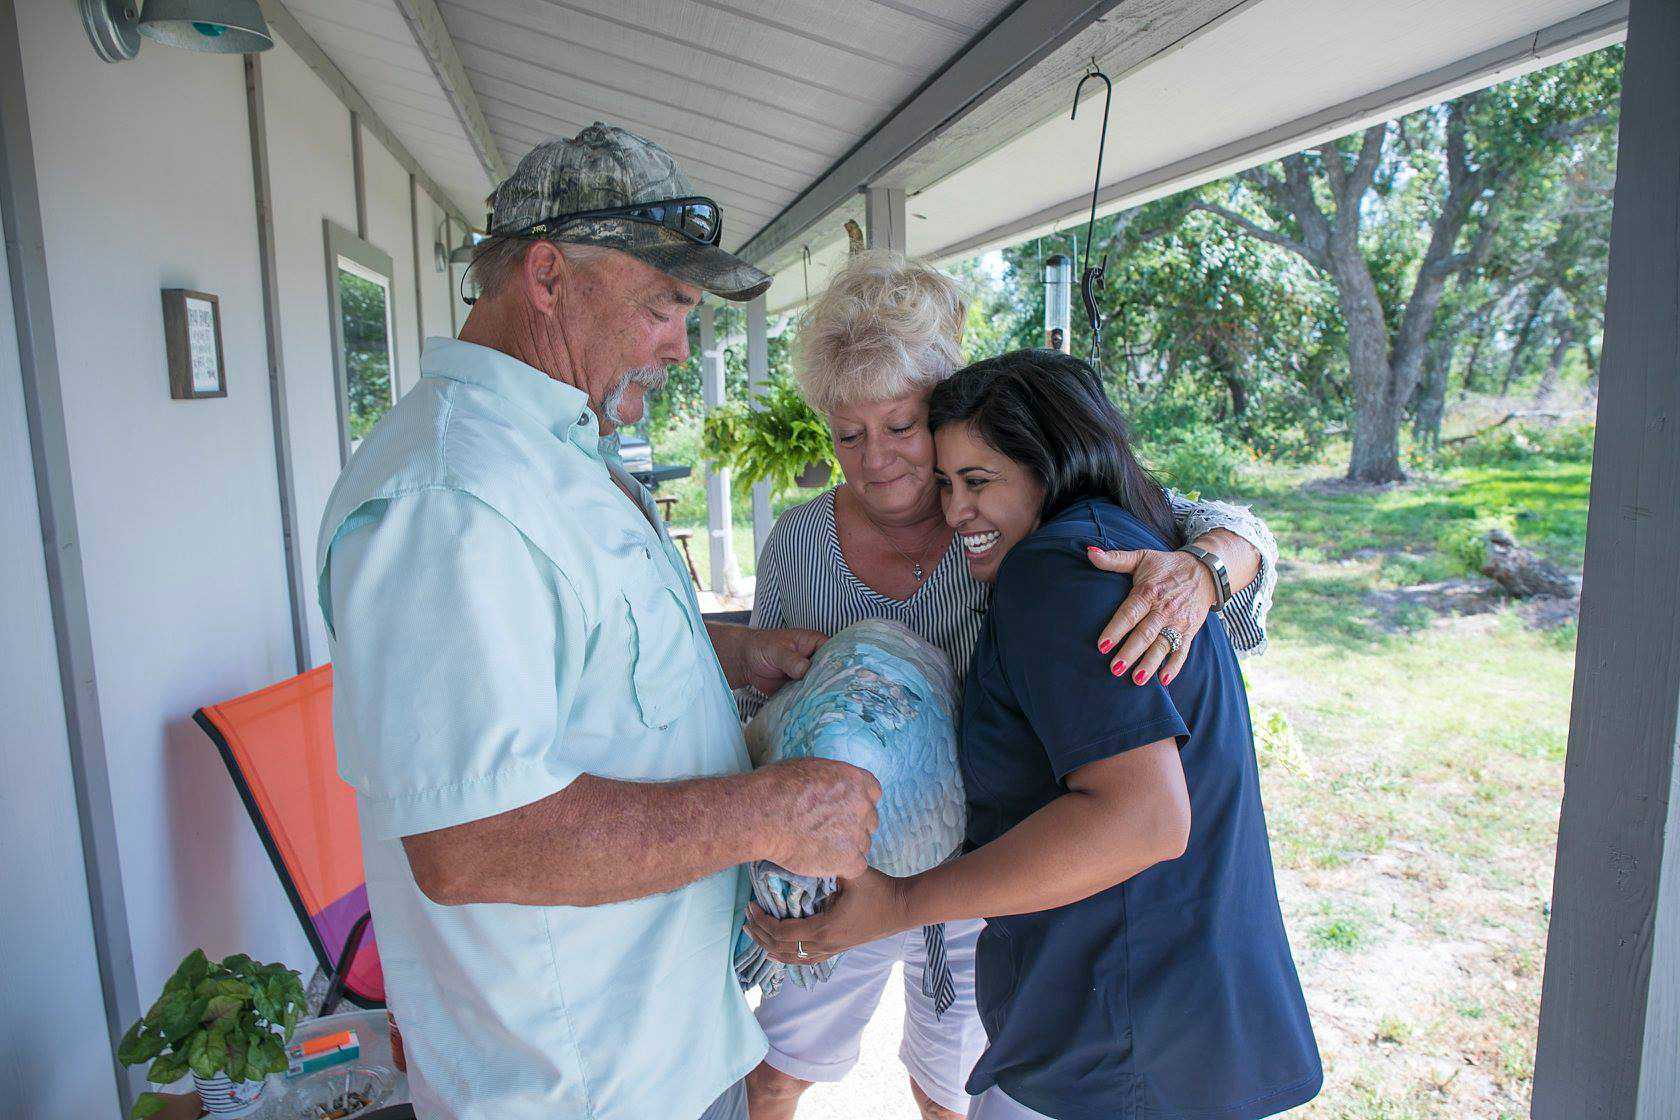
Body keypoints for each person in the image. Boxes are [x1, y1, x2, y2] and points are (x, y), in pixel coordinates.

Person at [315, 123, 882, 1120]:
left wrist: (734, 651)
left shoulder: (546, 447)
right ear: (546, 277)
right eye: (665, 306)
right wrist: (770, 812)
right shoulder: (451, 498)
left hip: (661, 1045)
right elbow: (473, 840)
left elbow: (564, 655)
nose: (678, 344)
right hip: (579, 1087)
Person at [741, 253, 1282, 1120]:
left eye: (902, 425)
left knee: (952, 1083)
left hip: (997, 870)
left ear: (947, 409)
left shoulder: (1030, 515)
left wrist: (1200, 570)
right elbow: (766, 713)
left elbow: (1227, 524)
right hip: (849, 863)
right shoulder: (801, 545)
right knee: (777, 1066)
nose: (876, 460)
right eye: (849, 434)